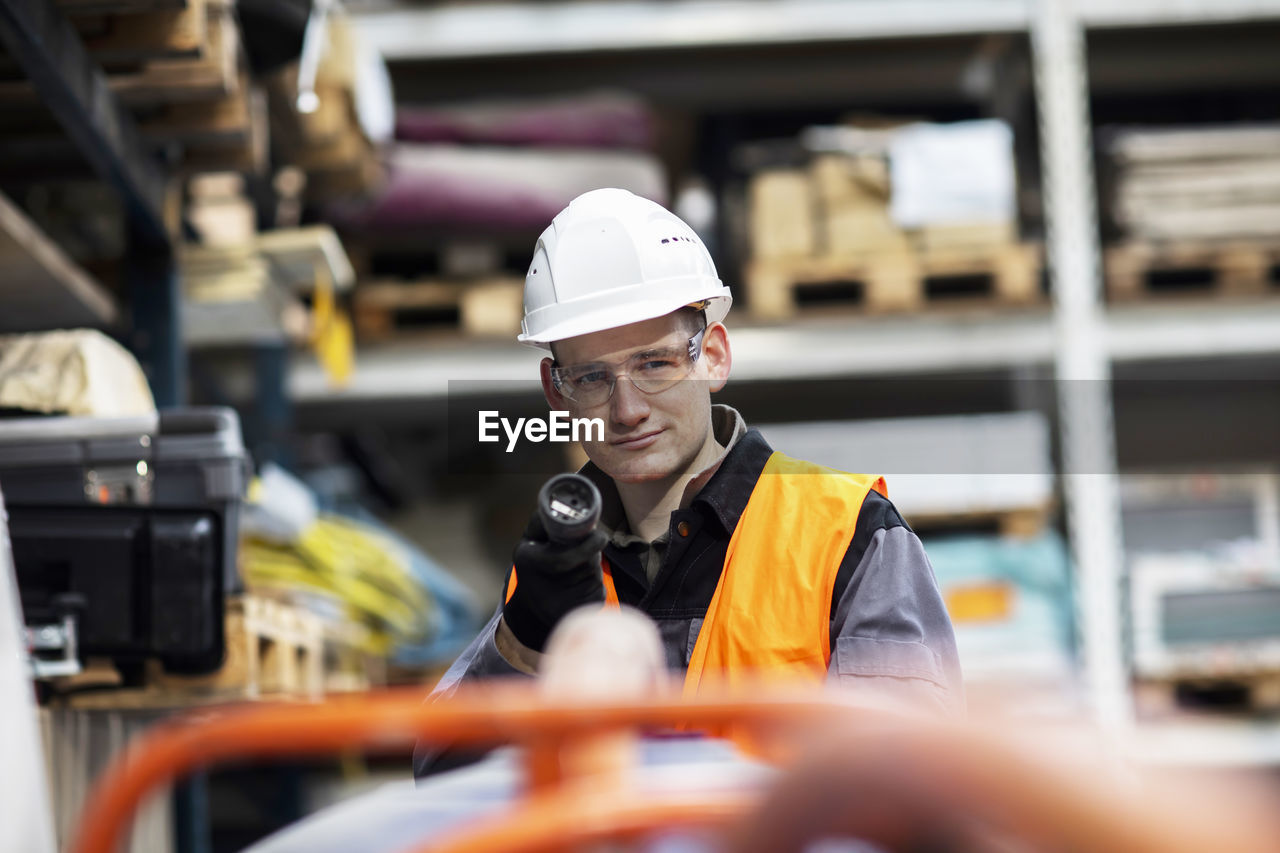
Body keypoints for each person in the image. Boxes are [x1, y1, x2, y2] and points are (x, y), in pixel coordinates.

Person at [415, 188, 961, 776]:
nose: (627, 409)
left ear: (715, 358)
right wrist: (522, 649)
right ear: (556, 393)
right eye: (592, 377)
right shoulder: (556, 567)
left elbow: (906, 781)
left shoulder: (845, 532)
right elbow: (441, 775)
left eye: (655, 363)